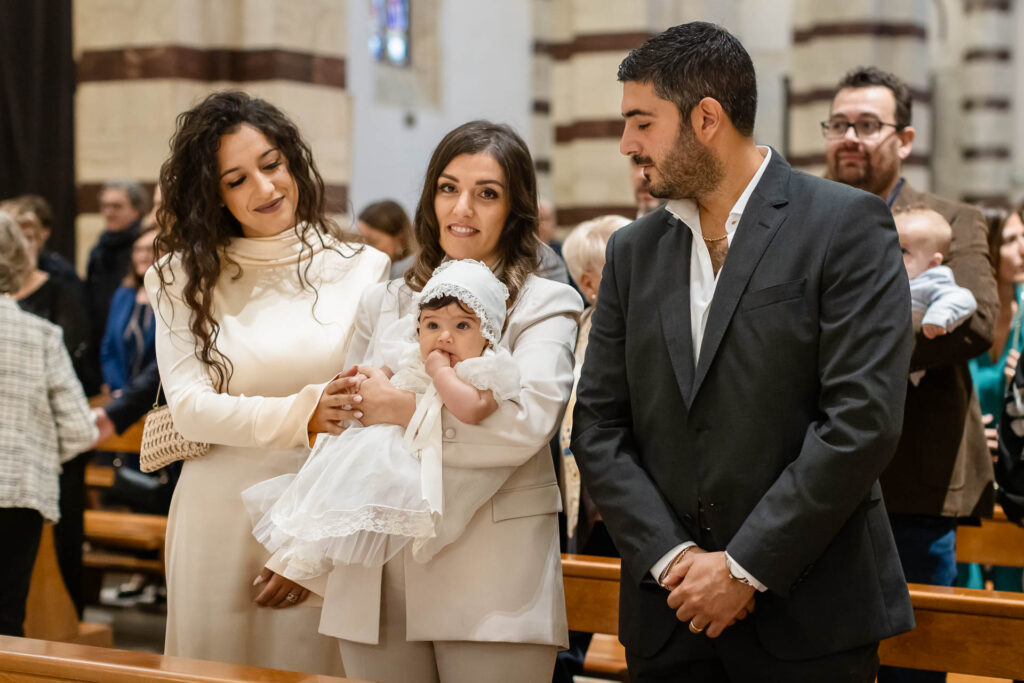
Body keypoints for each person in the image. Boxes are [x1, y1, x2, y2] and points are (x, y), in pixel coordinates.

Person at [572, 23, 914, 682]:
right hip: (668, 617)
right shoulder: (633, 251)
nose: (626, 144)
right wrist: (673, 559)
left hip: (807, 614)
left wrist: (742, 565)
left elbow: (861, 421)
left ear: (706, 118)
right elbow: (598, 425)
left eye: (641, 122)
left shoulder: (843, 225)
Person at [277, 120, 581, 683]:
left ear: (515, 210)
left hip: (490, 572)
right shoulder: (386, 299)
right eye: (448, 187)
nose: (461, 207)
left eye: (486, 193)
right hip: (375, 568)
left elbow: (526, 426)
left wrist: (403, 410)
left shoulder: (544, 302)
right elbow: (347, 416)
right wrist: (300, 545)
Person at [144, 91, 389, 674]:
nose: (265, 188)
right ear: (212, 194)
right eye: (236, 180)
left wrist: (308, 552)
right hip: (216, 518)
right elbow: (191, 409)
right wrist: (304, 412)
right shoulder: (179, 277)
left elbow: (369, 427)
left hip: (320, 517)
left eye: (272, 164)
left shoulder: (363, 269)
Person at [824, 68, 997, 683]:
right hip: (811, 479)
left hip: (916, 480)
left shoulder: (952, 219)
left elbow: (977, 326)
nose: (850, 137)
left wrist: (850, 343)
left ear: (905, 138)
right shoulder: (806, 217)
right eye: (840, 124)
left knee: (913, 665)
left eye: (868, 125)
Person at [245, 259, 523, 577]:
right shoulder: (411, 353)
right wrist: (371, 378)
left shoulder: (483, 367)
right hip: (382, 443)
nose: (444, 337)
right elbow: (386, 374)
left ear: (487, 334)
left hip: (430, 462)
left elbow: (472, 410)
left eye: (462, 326)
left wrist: (441, 373)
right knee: (339, 483)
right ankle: (313, 547)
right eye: (432, 325)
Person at [0, 210, 97, 636]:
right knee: (5, 619)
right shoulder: (40, 335)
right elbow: (80, 430)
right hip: (20, 489)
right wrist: (33, 449)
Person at [894, 207, 977, 387]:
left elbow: (964, 298)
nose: (891, 254)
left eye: (902, 250)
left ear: (932, 263)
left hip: (910, 366)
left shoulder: (931, 280)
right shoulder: (885, 276)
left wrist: (937, 317)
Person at [86, 180, 148, 354]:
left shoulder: (144, 248)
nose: (108, 212)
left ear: (137, 210)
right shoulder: (99, 248)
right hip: (103, 339)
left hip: (133, 341)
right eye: (105, 206)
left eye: (116, 206)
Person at [358, 199, 417, 278]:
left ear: (399, 238)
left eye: (372, 241)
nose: (364, 247)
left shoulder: (408, 276)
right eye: (359, 240)